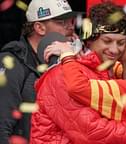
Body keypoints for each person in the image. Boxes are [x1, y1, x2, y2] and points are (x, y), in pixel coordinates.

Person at [30, 2, 126, 143]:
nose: (114, 49)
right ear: (89, 39)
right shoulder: (62, 74)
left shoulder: (113, 72)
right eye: (107, 41)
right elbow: (90, 134)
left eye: (121, 43)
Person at [0, 0, 78, 142]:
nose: (70, 27)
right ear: (40, 28)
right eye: (61, 22)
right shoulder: (12, 62)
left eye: (71, 21)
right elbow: (2, 126)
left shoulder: (67, 61)